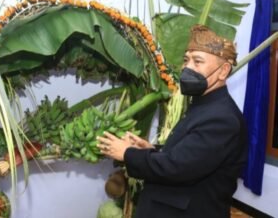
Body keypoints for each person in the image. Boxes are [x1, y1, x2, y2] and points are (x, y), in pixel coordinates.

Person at [97, 24, 248, 218]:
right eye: (186, 60)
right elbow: (190, 155)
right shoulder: (203, 105)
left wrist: (128, 154)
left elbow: (178, 168)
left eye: (198, 61)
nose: (187, 67)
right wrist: (151, 151)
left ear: (223, 71)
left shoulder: (222, 118)